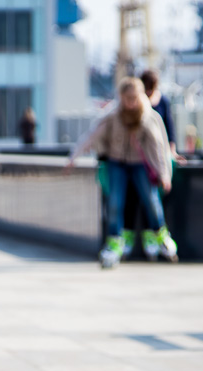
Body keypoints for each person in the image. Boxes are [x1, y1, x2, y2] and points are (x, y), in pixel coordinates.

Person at [66, 77, 177, 268]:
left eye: (135, 98)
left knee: (150, 199)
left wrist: (165, 174)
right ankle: (114, 242)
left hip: (140, 163)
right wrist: (73, 157)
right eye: (127, 98)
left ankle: (161, 235)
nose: (131, 103)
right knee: (115, 202)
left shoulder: (148, 116)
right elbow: (92, 136)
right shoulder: (112, 115)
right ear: (121, 98)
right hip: (117, 163)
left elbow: (159, 147)